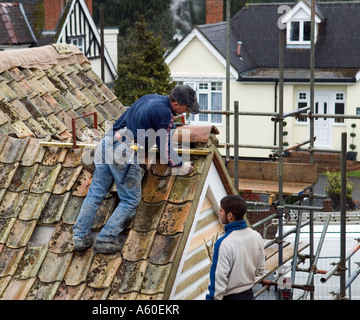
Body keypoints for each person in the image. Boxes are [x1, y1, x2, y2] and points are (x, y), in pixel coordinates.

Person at [72, 85, 200, 254]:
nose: (186, 113)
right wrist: (181, 165)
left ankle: (79, 237)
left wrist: (168, 128)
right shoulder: (164, 114)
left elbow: (136, 121)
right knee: (130, 200)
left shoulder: (150, 97)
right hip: (124, 151)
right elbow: (165, 149)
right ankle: (105, 239)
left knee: (96, 193)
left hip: (107, 143)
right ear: (176, 104)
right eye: (186, 109)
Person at [206, 194, 266, 300]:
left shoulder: (224, 244)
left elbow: (217, 283)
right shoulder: (255, 236)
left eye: (221, 210)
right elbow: (260, 270)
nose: (219, 213)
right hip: (249, 295)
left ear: (230, 215)